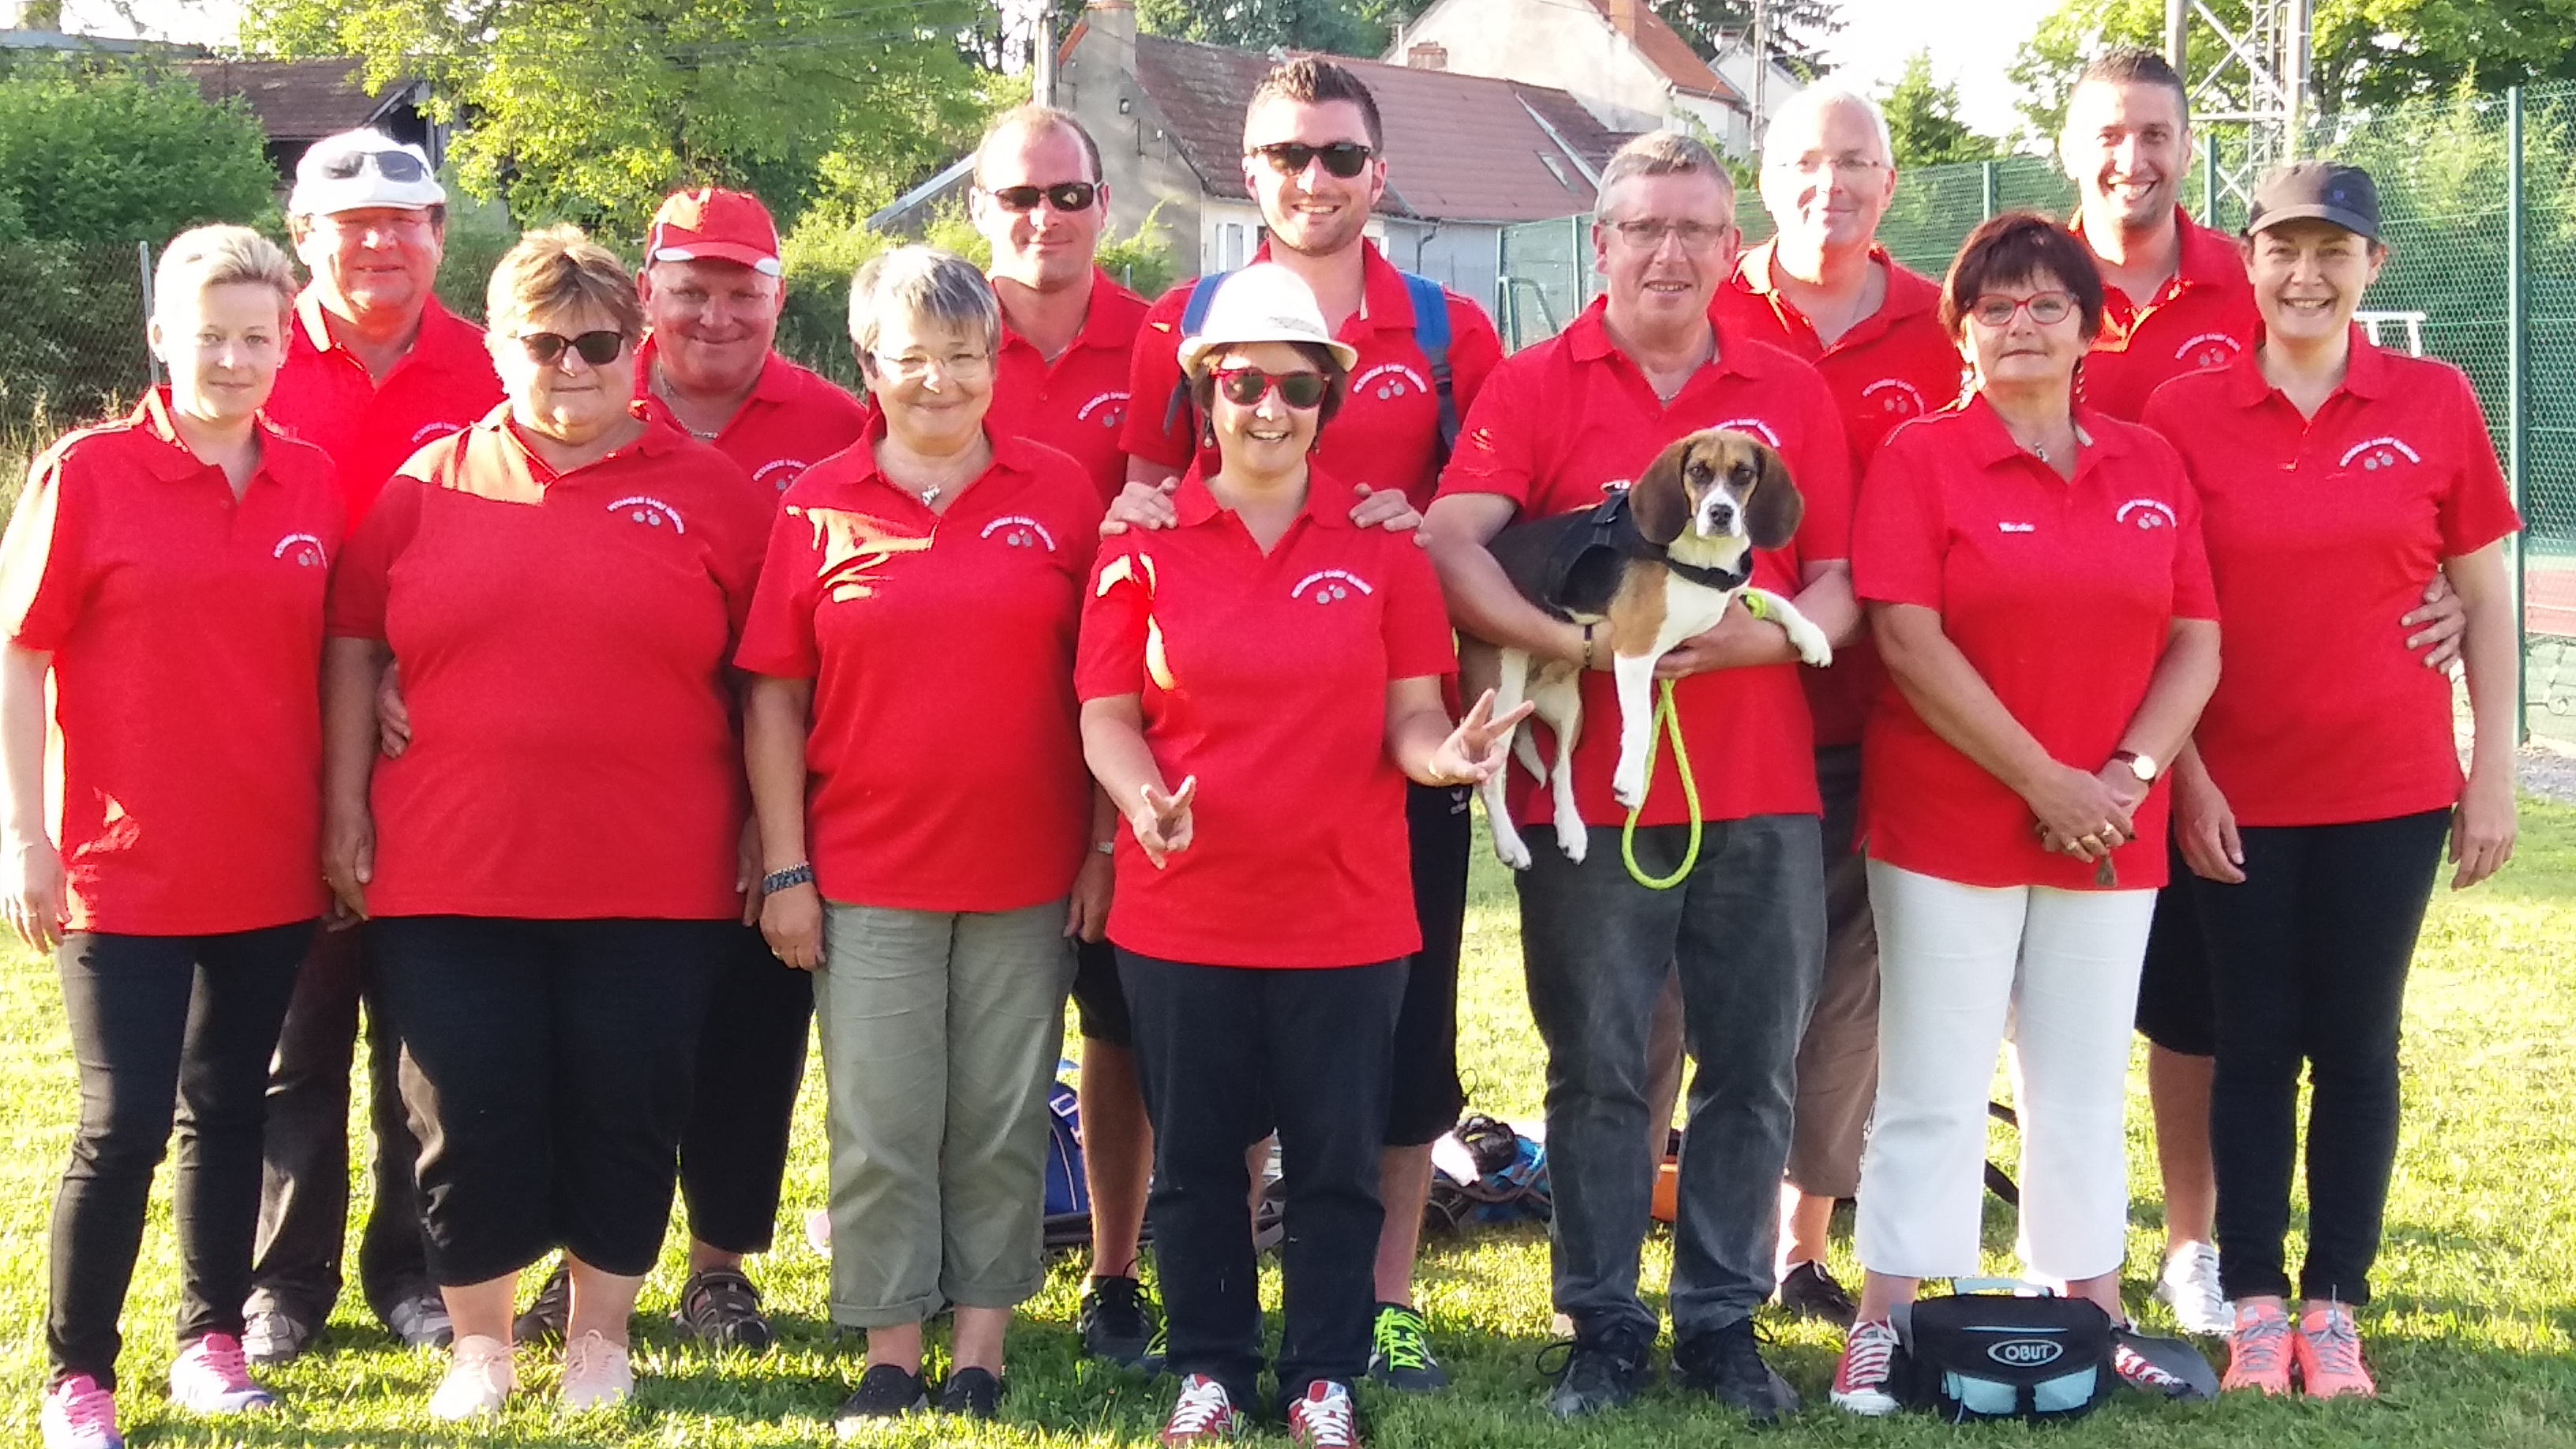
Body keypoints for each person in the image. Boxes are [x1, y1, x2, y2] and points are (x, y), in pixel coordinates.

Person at [1424, 130, 1856, 1424]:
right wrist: (1571, 645)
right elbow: (1451, 541)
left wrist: (1724, 645)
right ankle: (1600, 1323)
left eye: (1692, 231)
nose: (1665, 251)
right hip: (1592, 804)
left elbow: (1836, 578)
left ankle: (1720, 1319)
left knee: (1751, 1063)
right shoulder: (1536, 382)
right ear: (1598, 242)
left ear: (1730, 251)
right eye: (1639, 228)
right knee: (1600, 1066)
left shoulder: (1786, 389)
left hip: (1761, 791)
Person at [322, 227, 769, 1418]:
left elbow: (767, 676)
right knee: (463, 1109)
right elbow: (354, 641)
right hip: (451, 869)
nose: (571, 365)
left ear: (637, 349)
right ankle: (482, 1345)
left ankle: (598, 1341)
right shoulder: (426, 484)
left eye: (598, 342)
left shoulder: (713, 497)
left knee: (626, 1105)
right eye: (543, 342)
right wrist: (341, 804)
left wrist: (769, 836)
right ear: (499, 348)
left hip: (654, 876)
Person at [1106, 58, 1506, 1391]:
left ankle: (1365, 1319)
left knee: (1381, 1082)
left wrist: (1444, 740)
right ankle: (1202, 1336)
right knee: (1204, 1112)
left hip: (1370, 783)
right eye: (1287, 156)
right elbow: (1143, 504)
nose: (1312, 179)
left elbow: (1466, 521)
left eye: (1338, 157)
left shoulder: (1448, 331)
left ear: (1374, 171)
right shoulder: (1175, 326)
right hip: (1204, 821)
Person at [2054, 49, 2466, 1336]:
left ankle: (2236, 1263)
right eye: (2109, 133)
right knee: (2106, 1003)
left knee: (2281, 1023)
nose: (2132, 156)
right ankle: (2116, 1255)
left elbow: (2444, 540)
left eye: (2156, 134)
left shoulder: (2332, 349)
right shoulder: (2036, 281)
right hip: (2108, 712)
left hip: (2277, 740)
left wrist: (2444, 603)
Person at [1826, 211, 2222, 1414]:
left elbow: (2196, 637)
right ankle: (1889, 1320)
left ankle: (2088, 1312)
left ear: (2092, 328)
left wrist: (2128, 779)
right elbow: (1905, 635)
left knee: (2082, 1082)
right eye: (1995, 308)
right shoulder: (1921, 459)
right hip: (1950, 825)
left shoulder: (2149, 463)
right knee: (1934, 1084)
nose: (2022, 326)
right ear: (1961, 333)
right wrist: (2046, 779)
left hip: (2114, 830)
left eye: (2048, 304)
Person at [2142, 163, 2519, 1398]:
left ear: (2374, 267)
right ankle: (2254, 1301)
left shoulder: (2435, 399)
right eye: (2283, 249)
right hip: (2235, 789)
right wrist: (2186, 774)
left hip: (2391, 787)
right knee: (2249, 1042)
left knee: (2358, 1046)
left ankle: (2334, 1304)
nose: (2306, 274)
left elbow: (2482, 598)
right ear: (2246, 262)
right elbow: (2160, 616)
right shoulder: (2185, 415)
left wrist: (2491, 770)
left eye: (2333, 251)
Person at [488, 185, 869, 1354]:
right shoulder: (584, 381)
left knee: (752, 1038)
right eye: (689, 288)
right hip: (613, 796)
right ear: (646, 292)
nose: (713, 313)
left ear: (778, 296)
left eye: (740, 290)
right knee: (598, 1041)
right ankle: (580, 1260)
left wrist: (784, 817)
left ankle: (721, 1268)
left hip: (780, 789)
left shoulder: (839, 423)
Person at [736, 245, 1104, 1427]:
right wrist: (786, 867)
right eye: (911, 359)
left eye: (961, 357)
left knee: (999, 1120)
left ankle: (982, 1347)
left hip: (1024, 873)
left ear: (996, 363)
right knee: (883, 1123)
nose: (937, 382)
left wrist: (1099, 851)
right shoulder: (818, 504)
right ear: (867, 366)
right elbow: (775, 696)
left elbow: (1111, 688)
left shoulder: (1062, 497)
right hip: (865, 875)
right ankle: (893, 1345)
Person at [4, 226, 340, 1449]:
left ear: (286, 337)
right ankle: (77, 1378)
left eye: (258, 336)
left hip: (265, 856)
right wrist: (23, 837)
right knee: (122, 1121)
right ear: (161, 337)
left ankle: (208, 1338)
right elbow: (20, 647)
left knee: (229, 1110)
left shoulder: (309, 479)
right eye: (210, 336)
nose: (236, 359)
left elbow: (333, 647)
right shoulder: (86, 472)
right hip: (117, 860)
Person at [245, 128, 502, 1365]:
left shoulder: (490, 363)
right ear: (305, 237)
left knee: (425, 1046)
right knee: (292, 1043)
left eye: (407, 220)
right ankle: (281, 1284)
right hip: (271, 746)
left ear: (440, 235)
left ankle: (412, 1271)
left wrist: (411, 658)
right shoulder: (254, 354)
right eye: (351, 225)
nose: (381, 243)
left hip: (444, 751)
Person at [1711, 84, 1965, 1329]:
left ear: (1890, 185)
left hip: (1881, 717)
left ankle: (1795, 1244)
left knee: (1844, 992)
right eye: (1808, 162)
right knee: (1677, 998)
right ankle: (1656, 1257)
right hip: (1706, 728)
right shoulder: (1703, 301)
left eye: (1856, 162)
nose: (1832, 184)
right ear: (1767, 179)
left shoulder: (1944, 323)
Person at [973, 105, 1152, 506]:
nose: (1044, 218)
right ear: (978, 209)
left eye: (1070, 196)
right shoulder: (928, 355)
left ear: (1103, 205)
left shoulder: (1159, 345)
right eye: (1018, 198)